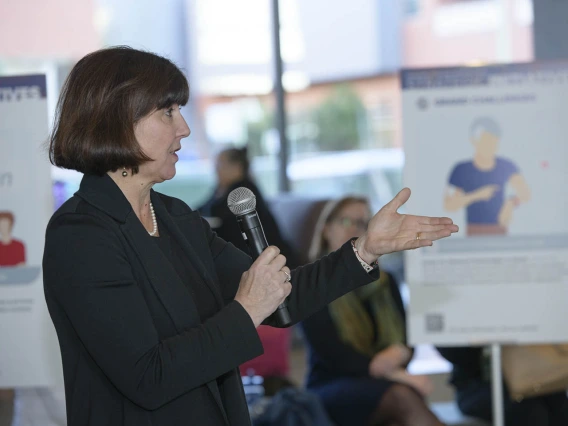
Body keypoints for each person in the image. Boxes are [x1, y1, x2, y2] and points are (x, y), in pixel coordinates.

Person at [43, 46, 458, 426]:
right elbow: (148, 375)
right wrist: (245, 310)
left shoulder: (173, 217)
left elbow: (282, 298)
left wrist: (365, 249)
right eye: (167, 112)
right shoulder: (81, 234)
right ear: (118, 119)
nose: (184, 128)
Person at [301, 196, 444, 426]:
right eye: (348, 222)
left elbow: (408, 338)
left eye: (364, 223)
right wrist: (394, 373)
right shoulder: (313, 284)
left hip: (380, 384)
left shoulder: (384, 282)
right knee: (402, 396)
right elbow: (336, 357)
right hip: (331, 386)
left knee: (400, 408)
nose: (357, 229)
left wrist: (400, 352)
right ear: (327, 229)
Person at [198, 146, 299, 268]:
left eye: (220, 164)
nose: (216, 170)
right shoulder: (221, 190)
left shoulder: (243, 191)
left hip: (267, 261)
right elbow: (202, 209)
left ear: (237, 167)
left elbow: (219, 213)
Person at [437, 346, 568, 426]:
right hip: (479, 386)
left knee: (558, 410)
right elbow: (453, 351)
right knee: (531, 414)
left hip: (538, 380)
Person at [444, 117, 530, 236]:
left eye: (494, 141)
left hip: (501, 232)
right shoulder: (461, 169)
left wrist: (511, 202)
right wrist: (477, 195)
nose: (491, 146)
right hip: (473, 232)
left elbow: (525, 194)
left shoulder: (506, 166)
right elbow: (449, 205)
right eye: (486, 141)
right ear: (474, 140)